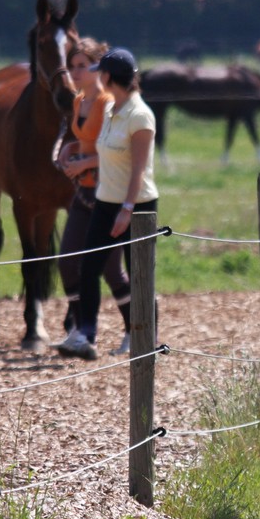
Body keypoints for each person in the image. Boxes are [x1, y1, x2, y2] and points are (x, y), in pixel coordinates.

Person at [58, 47, 158, 361]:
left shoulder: (140, 116)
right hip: (105, 201)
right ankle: (85, 334)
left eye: (99, 71)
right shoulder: (112, 109)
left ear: (108, 77)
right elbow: (102, 149)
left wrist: (127, 209)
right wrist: (73, 148)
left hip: (137, 205)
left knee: (139, 272)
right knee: (89, 268)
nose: (96, 77)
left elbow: (138, 170)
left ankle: (147, 336)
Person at [54, 37, 132, 356]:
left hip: (108, 192)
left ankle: (136, 329)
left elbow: (118, 151)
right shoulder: (79, 101)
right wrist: (70, 149)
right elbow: (86, 139)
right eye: (71, 66)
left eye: (82, 66)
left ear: (98, 68)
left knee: (111, 270)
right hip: (84, 191)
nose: (74, 72)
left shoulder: (107, 102)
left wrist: (84, 162)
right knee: (66, 261)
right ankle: (80, 328)